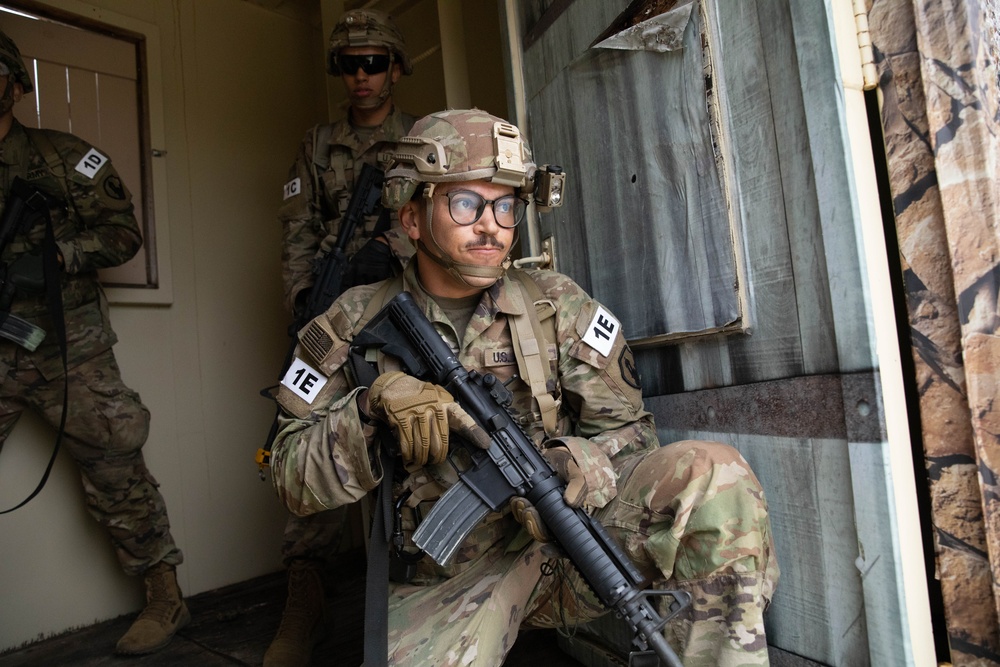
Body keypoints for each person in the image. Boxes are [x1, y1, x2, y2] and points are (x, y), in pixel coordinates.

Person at [269, 109, 780, 667]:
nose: (491, 225)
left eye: (506, 205)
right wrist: (369, 408)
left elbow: (631, 432)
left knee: (712, 473)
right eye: (466, 203)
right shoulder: (351, 323)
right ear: (412, 217)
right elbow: (290, 477)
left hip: (570, 542)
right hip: (454, 573)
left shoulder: (555, 302)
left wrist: (577, 462)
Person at [0, 30, 187, 655]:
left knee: (117, 468)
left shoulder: (61, 159)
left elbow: (122, 234)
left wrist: (59, 254)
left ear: (12, 83)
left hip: (67, 349)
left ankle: (165, 596)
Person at [267, 8, 417, 666]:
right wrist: (305, 303)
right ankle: (307, 595)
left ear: (395, 67)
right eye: (351, 65)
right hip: (332, 315)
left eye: (374, 62)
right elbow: (298, 228)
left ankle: (425, 593)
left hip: (405, 312)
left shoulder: (420, 137)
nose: (361, 76)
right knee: (302, 425)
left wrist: (395, 252)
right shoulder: (317, 144)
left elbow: (439, 216)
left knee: (417, 437)